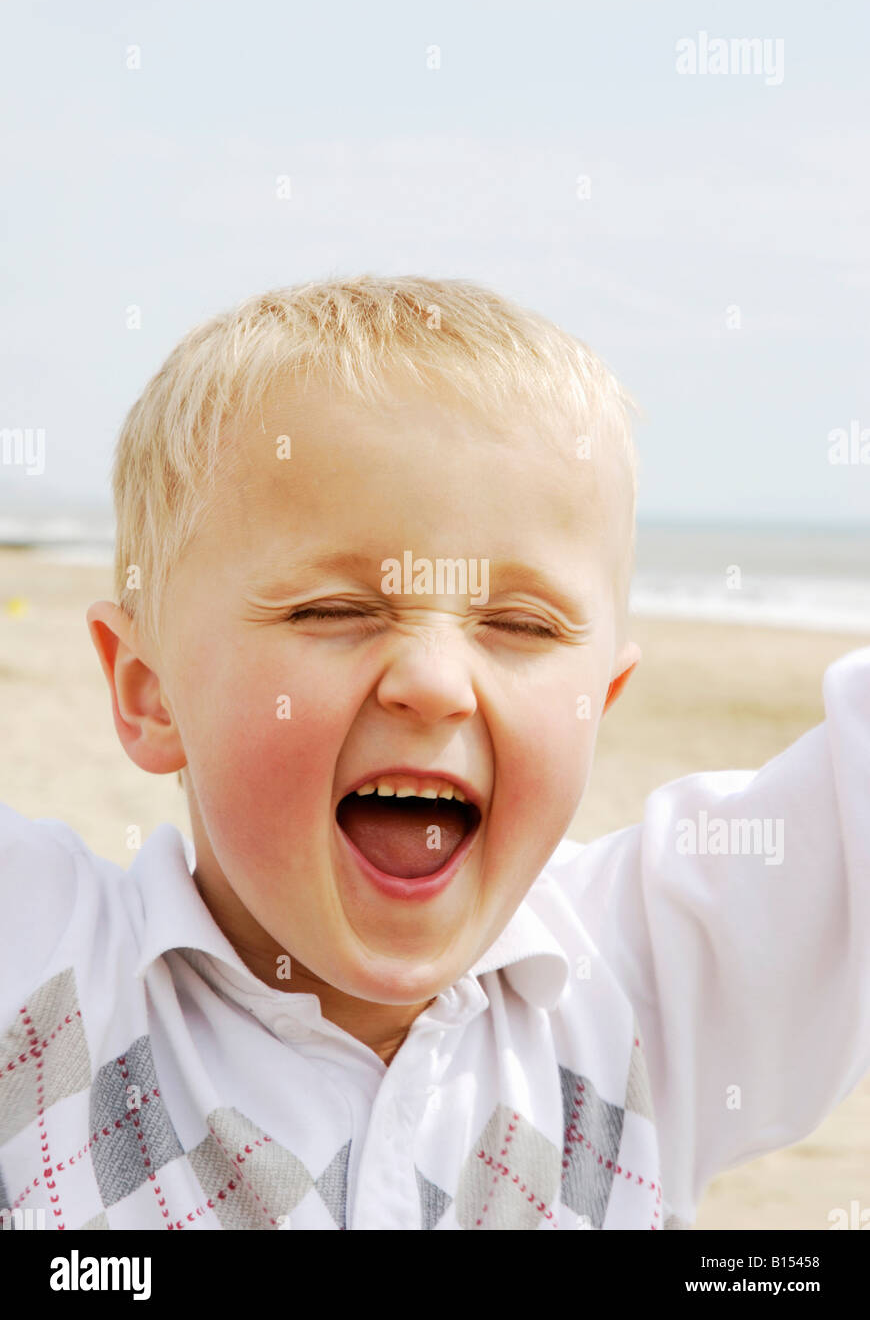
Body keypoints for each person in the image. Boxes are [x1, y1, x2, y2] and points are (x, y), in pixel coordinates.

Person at [0, 275, 867, 1230]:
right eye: (334, 609)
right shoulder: (43, 967)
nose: (437, 681)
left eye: (521, 624)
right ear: (149, 690)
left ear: (598, 704)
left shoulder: (651, 987)